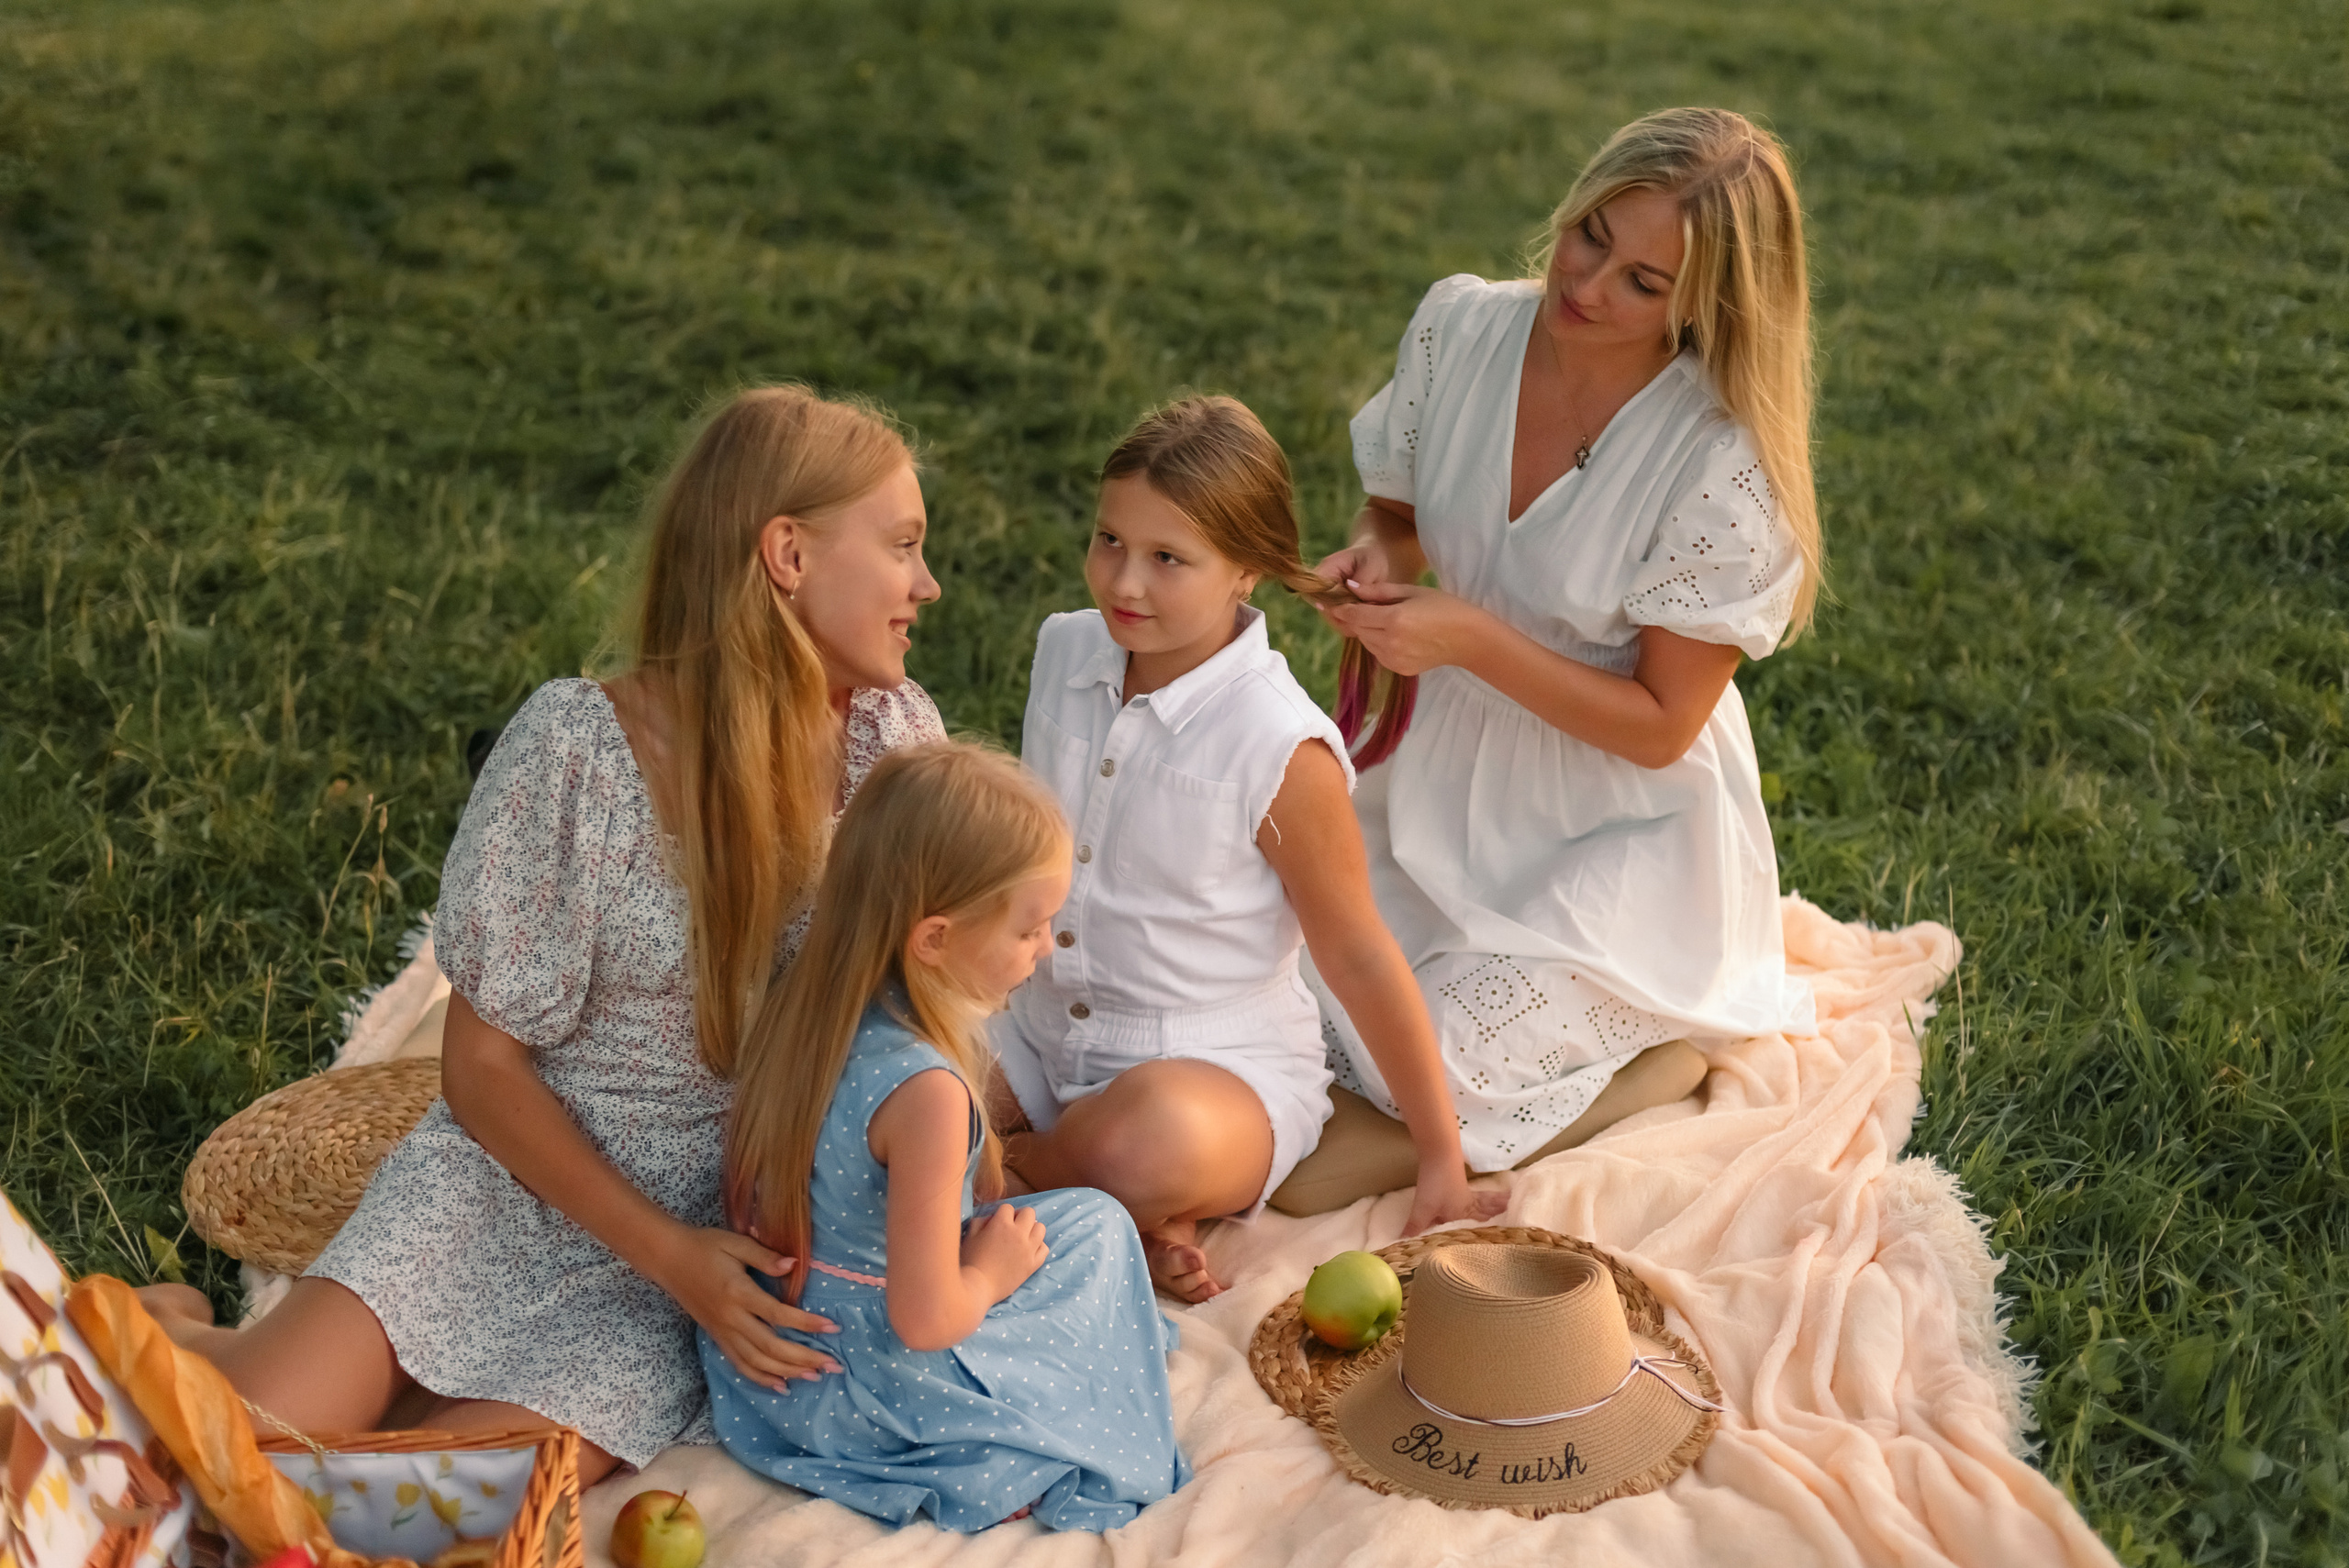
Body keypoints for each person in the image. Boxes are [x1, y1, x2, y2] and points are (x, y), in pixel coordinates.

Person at [139, 386, 949, 1483]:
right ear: (788, 555)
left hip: (696, 1248)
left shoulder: (898, 751)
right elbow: (480, 1065)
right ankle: (179, 1329)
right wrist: (672, 1254)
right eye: (902, 546)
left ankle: (236, 1350)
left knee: (402, 1507)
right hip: (515, 1180)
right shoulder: (579, 751)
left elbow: (925, 1009)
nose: (927, 584)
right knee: (231, 1457)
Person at [1270, 107, 1823, 1215]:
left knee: (1396, 1068)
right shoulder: (1462, 328)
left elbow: (1663, 722)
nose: (1589, 286)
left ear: (1707, 304)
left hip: (1618, 823)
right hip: (1432, 771)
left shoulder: (1719, 457)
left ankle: (1648, 1059)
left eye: (1643, 282)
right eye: (1591, 238)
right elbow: (1399, 513)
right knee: (1263, 968)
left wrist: (1467, 637)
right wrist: (1376, 563)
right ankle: (1377, 1120)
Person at [989, 396, 1505, 1303]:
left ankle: (1003, 1175)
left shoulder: (1278, 745)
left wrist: (1441, 1158)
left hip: (1208, 1069)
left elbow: (1354, 950)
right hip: (1039, 1025)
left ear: (1247, 570)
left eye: (1166, 559)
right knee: (884, 1063)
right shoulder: (1063, 650)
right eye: (1109, 539)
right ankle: (1123, 1209)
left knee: (1139, 1142)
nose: (1124, 582)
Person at [705, 741, 1188, 1532]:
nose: (1046, 947)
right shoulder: (927, 1091)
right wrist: (990, 1275)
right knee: (1097, 1232)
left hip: (778, 1362)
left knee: (1077, 1223)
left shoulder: (817, 1011)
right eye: (1030, 928)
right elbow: (924, 1319)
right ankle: (994, 1448)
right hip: (873, 1376)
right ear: (933, 938)